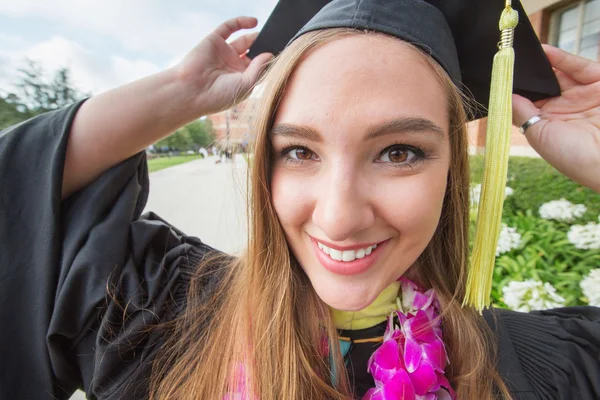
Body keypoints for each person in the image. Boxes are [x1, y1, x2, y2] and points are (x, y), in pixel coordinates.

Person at [0, 0, 599, 399]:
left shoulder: (538, 371)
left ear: (451, 168)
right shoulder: (156, 317)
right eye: (299, 152)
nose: (339, 216)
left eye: (399, 152)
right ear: (264, 164)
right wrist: (178, 94)